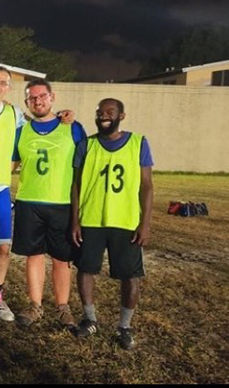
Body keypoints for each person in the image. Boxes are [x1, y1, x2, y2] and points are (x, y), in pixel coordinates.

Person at [0, 66, 74, 322]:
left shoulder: (15, 114)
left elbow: (39, 124)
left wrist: (63, 117)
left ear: (9, 88)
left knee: (2, 249)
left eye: (3, 82)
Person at [71, 98, 153, 350]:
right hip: (92, 219)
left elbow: (147, 185)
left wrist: (145, 222)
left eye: (110, 112)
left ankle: (124, 326)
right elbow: (75, 184)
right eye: (99, 112)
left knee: (130, 275)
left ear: (121, 116)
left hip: (125, 221)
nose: (103, 116)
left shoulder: (138, 142)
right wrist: (74, 220)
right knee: (86, 269)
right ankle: (90, 319)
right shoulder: (86, 144)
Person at [11, 79, 87, 329]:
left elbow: (84, 165)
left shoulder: (73, 128)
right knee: (34, 256)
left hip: (61, 202)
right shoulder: (21, 131)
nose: (38, 101)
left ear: (52, 97)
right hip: (28, 201)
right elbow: (10, 164)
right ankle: (35, 305)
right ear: (26, 102)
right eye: (32, 98)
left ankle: (63, 307)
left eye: (42, 96)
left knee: (61, 258)